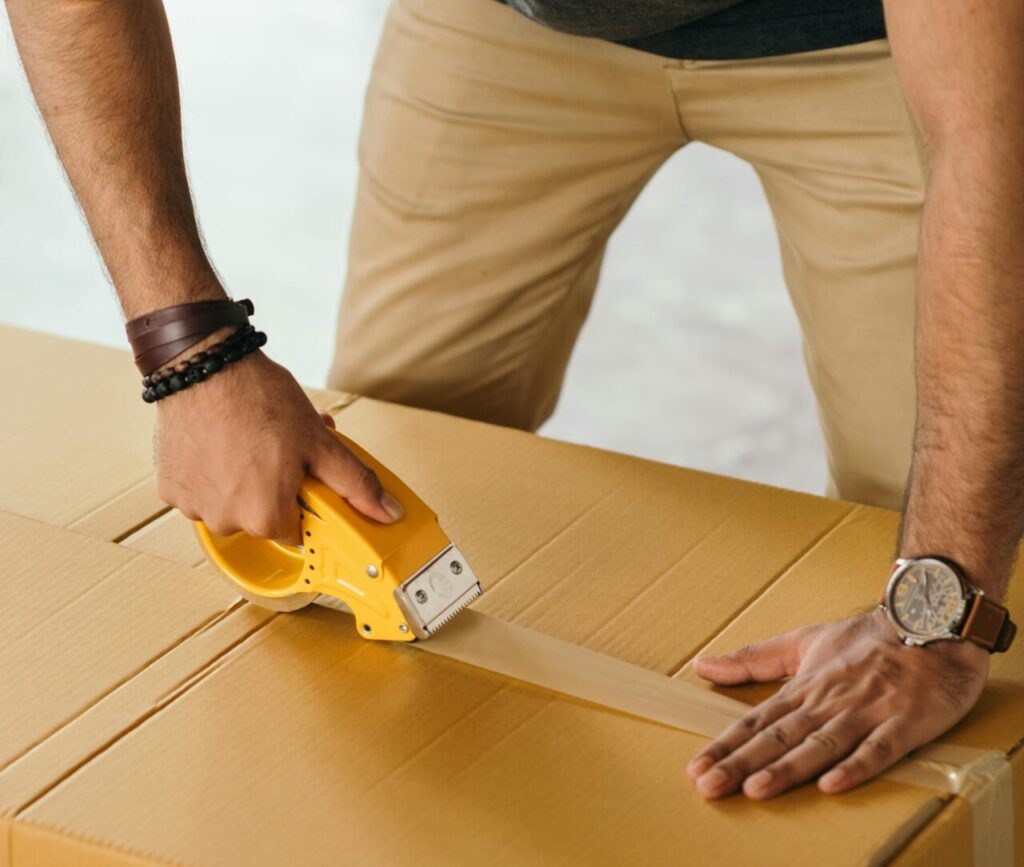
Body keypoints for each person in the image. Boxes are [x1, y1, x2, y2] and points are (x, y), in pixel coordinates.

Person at [5, 0, 1022, 804]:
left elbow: (989, 145)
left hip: (867, 38)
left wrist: (936, 614)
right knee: (387, 442)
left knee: (961, 541)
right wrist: (193, 355)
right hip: (505, 25)